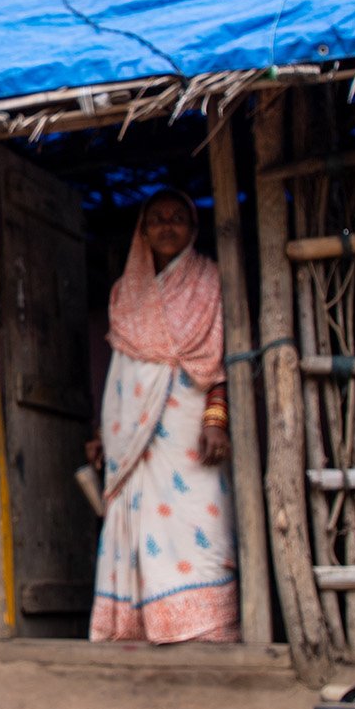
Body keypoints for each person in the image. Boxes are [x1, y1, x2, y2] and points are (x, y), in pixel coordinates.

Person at [84, 188, 237, 643]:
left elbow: (222, 359)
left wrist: (216, 418)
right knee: (137, 525)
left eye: (177, 218)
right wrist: (102, 431)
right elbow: (120, 372)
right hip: (129, 436)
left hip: (189, 430)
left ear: (193, 229)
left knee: (204, 522)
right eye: (156, 219)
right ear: (142, 231)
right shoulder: (124, 294)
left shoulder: (212, 281)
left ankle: (204, 627)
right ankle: (137, 627)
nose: (167, 226)